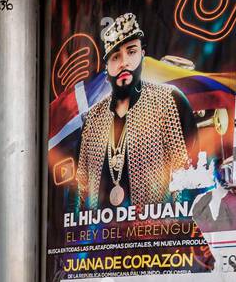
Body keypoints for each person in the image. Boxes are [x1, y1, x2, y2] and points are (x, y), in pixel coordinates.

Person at [76, 12, 192, 211]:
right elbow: (81, 190)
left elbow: (188, 178)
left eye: (131, 52)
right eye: (115, 57)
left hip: (154, 235)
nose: (124, 62)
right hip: (102, 236)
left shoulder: (169, 101)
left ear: (142, 55)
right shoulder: (93, 119)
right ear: (107, 67)